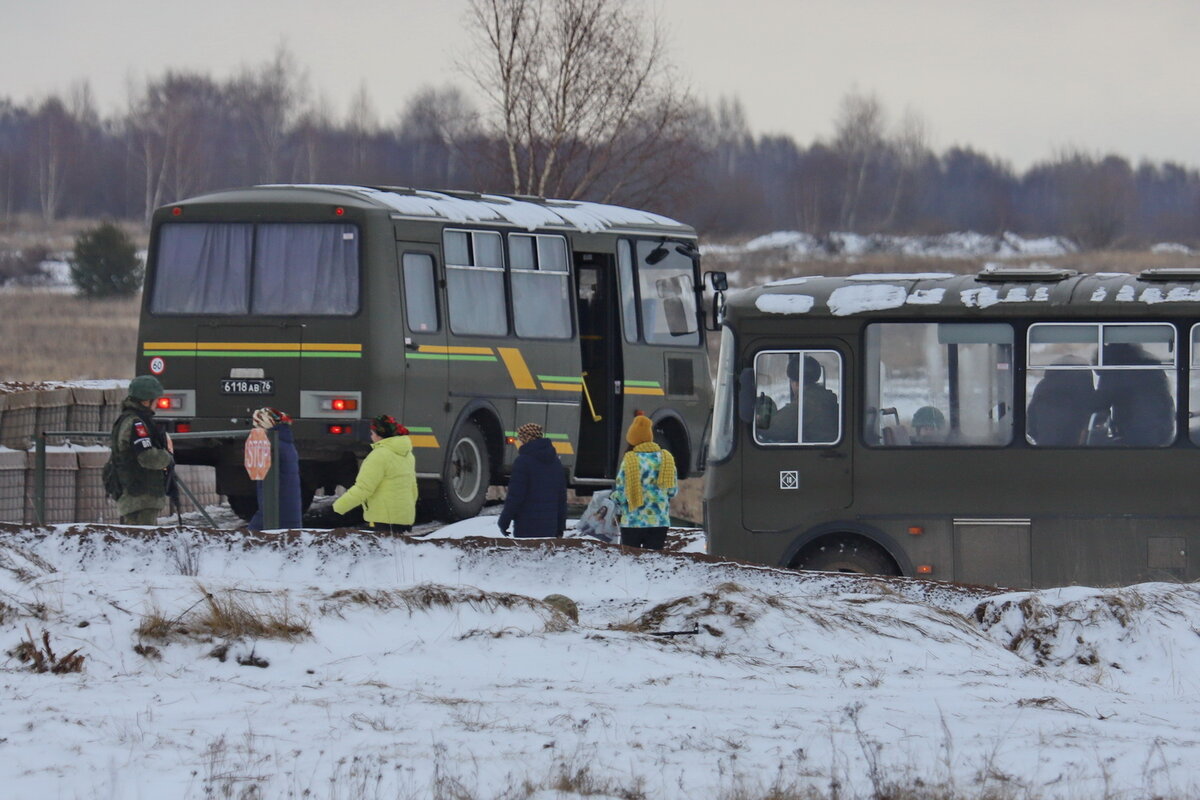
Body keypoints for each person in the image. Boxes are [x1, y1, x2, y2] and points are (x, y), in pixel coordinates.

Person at [332, 414, 417, 533]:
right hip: (404, 518)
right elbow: (413, 489)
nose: (371, 436)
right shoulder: (407, 455)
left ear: (379, 435)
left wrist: (338, 507)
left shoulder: (379, 455)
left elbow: (364, 488)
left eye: (372, 433)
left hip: (383, 519)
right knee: (397, 550)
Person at [109, 375, 174, 525]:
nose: (157, 404)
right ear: (146, 401)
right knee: (143, 538)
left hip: (134, 492)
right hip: (140, 494)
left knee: (136, 538)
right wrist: (167, 457)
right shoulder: (137, 424)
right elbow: (147, 457)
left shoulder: (127, 419)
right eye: (155, 400)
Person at [609, 413, 677, 550]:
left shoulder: (629, 460)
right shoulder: (666, 458)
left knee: (631, 562)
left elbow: (622, 494)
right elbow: (672, 491)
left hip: (633, 522)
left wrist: (612, 497)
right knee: (652, 563)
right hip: (659, 522)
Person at [1095, 343, 1175, 446]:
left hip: (1135, 432)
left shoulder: (1115, 371)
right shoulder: (1151, 367)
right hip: (1163, 431)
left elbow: (1100, 403)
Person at [498, 422, 567, 538]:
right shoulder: (556, 463)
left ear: (525, 439)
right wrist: (560, 528)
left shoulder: (522, 462)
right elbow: (561, 498)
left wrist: (504, 521)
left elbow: (515, 496)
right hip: (550, 528)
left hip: (526, 526)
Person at [759, 355, 839, 444]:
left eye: (791, 381)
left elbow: (773, 429)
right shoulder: (821, 397)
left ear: (796, 383)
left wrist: (758, 418)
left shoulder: (807, 403)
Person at [247, 407, 304, 531]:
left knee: (249, 539)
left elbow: (261, 475)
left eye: (257, 425)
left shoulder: (272, 444)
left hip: (275, 507)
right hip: (289, 507)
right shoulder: (286, 443)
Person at [1026, 358, 1099, 446]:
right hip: (1075, 443)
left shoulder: (1043, 387)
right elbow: (1096, 413)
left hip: (1045, 444)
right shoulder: (1084, 386)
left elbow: (1031, 417)